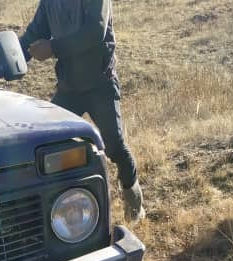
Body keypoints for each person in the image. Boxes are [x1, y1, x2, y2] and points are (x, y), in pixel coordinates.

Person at [19, 0, 145, 223]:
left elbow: (95, 31)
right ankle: (60, 208)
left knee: (115, 146)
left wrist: (53, 48)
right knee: (48, 144)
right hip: (69, 88)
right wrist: (11, 58)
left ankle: (134, 203)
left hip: (100, 84)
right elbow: (34, 33)